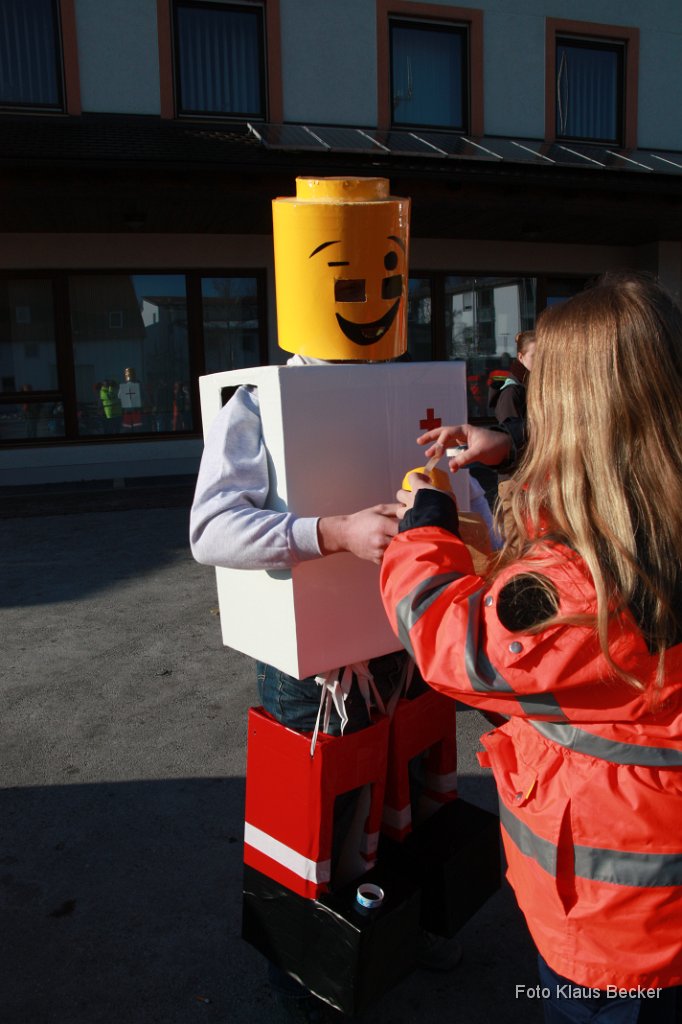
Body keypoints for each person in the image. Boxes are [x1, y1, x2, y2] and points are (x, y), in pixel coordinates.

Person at [190, 177, 462, 1022]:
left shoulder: (420, 390)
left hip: (406, 642)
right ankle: (303, 976)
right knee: (315, 819)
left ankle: (403, 934)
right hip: (314, 669)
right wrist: (331, 533)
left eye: (387, 281)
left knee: (409, 798)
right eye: (349, 284)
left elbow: (469, 509)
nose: (373, 301)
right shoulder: (256, 401)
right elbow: (212, 530)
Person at [379, 271, 682, 1024]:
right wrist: (513, 455)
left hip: (625, 936)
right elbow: (626, 479)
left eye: (539, 391)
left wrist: (426, 525)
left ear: (576, 410)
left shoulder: (579, 580)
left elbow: (452, 645)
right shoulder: (653, 524)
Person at [488, 329, 536, 425]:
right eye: (534, 356)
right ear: (520, 357)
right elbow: (512, 435)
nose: (540, 360)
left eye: (543, 356)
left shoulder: (532, 385)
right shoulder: (511, 393)